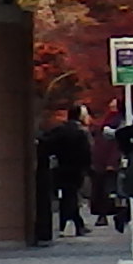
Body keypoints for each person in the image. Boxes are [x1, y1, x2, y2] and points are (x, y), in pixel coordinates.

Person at [37, 104, 93, 243]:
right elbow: (86, 153)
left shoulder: (60, 131)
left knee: (67, 195)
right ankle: (72, 224)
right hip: (75, 168)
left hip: (60, 167)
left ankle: (72, 224)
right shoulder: (80, 133)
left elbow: (46, 144)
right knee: (71, 196)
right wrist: (87, 168)